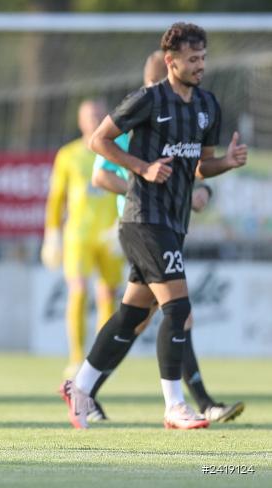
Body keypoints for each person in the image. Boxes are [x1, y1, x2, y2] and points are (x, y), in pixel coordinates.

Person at [62, 23, 248, 430]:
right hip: (143, 219)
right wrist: (142, 168)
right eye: (192, 60)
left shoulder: (207, 106)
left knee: (132, 315)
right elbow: (99, 140)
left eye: (203, 58)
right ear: (171, 61)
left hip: (173, 222)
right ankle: (174, 406)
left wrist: (227, 163)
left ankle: (80, 387)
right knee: (178, 307)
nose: (200, 66)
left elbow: (200, 165)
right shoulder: (147, 100)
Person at [41, 100, 122, 379]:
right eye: (89, 116)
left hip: (111, 233)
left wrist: (123, 224)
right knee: (78, 289)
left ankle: (100, 359)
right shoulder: (69, 155)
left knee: (108, 294)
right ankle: (76, 357)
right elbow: (56, 198)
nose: (94, 120)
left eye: (99, 115)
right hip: (78, 234)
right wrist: (52, 234)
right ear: (80, 122)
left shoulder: (117, 149)